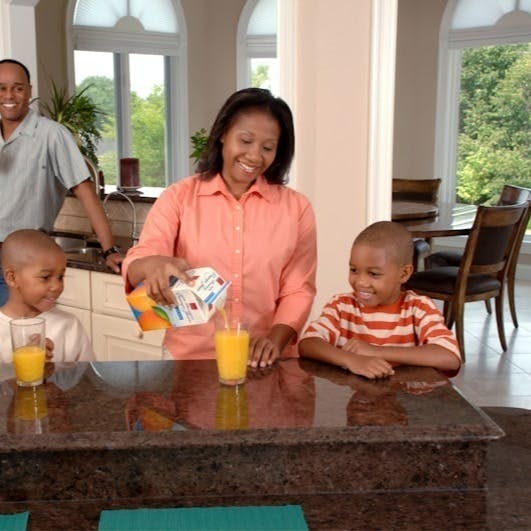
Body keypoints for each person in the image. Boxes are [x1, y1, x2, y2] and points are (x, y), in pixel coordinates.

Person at [123, 88, 317, 366]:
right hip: (190, 359)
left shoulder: (297, 209)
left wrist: (273, 341)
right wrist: (152, 265)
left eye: (267, 147)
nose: (254, 156)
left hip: (263, 361)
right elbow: (140, 259)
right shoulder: (179, 197)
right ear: (223, 133)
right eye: (246, 140)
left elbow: (299, 289)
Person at [0, 58, 123, 306]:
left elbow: (84, 190)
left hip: (24, 258)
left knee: (18, 337)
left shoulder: (52, 135)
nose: (9, 95)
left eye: (18, 88)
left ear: (30, 91)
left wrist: (109, 249)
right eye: (1, 88)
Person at [299, 221, 461, 379]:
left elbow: (449, 357)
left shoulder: (418, 308)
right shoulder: (341, 306)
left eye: (374, 274)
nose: (361, 282)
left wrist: (375, 351)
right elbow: (308, 343)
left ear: (404, 274)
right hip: (354, 400)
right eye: (354, 270)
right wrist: (352, 360)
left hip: (406, 404)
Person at [0, 229, 95, 363]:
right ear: (12, 278)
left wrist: (50, 370)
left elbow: (86, 378)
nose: (57, 286)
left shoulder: (69, 325)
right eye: (45, 277)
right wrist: (21, 365)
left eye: (60, 277)